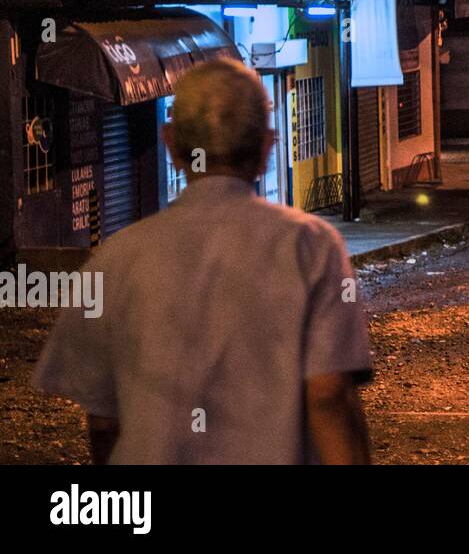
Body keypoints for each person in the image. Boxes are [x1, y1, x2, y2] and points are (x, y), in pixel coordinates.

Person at [32, 58, 373, 464]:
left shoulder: (115, 260)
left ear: (171, 143)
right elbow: (329, 395)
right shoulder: (312, 246)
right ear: (266, 149)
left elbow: (104, 422)